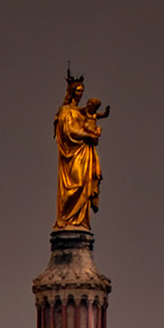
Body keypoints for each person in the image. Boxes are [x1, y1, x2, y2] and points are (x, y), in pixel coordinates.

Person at [55, 72, 108, 229]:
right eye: (78, 91)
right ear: (72, 92)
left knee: (83, 184)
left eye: (82, 92)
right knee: (75, 184)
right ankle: (65, 218)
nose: (80, 94)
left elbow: (91, 117)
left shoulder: (80, 111)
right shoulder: (65, 111)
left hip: (84, 153)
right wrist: (88, 136)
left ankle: (79, 220)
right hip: (71, 153)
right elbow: (69, 131)